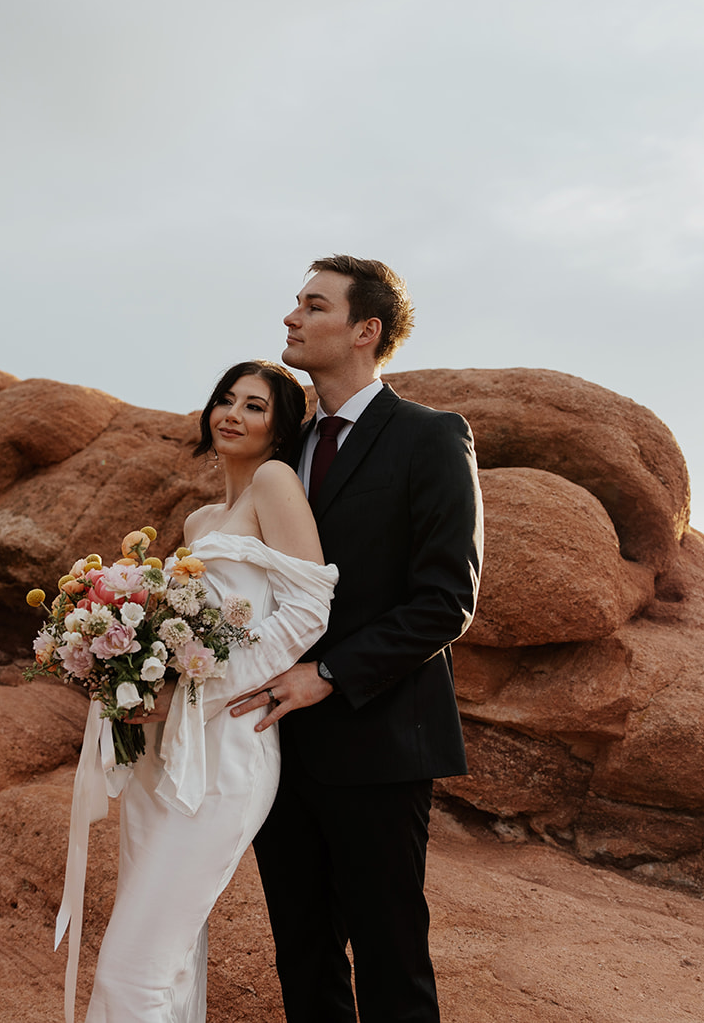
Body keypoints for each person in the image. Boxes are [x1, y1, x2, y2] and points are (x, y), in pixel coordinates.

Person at [228, 256, 483, 1022]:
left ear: (365, 330)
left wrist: (328, 673)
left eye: (313, 305)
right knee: (303, 958)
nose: (291, 318)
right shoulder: (282, 448)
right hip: (277, 744)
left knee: (391, 959)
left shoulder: (431, 437)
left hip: (380, 741)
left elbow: (447, 599)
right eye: (295, 303)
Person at [63, 359, 339, 1023]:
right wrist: (127, 673)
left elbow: (309, 610)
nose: (231, 414)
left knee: (134, 970)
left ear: (280, 429)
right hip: (162, 751)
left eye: (253, 405)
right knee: (174, 959)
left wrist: (201, 695)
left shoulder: (274, 483)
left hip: (226, 750)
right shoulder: (198, 521)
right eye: (225, 399)